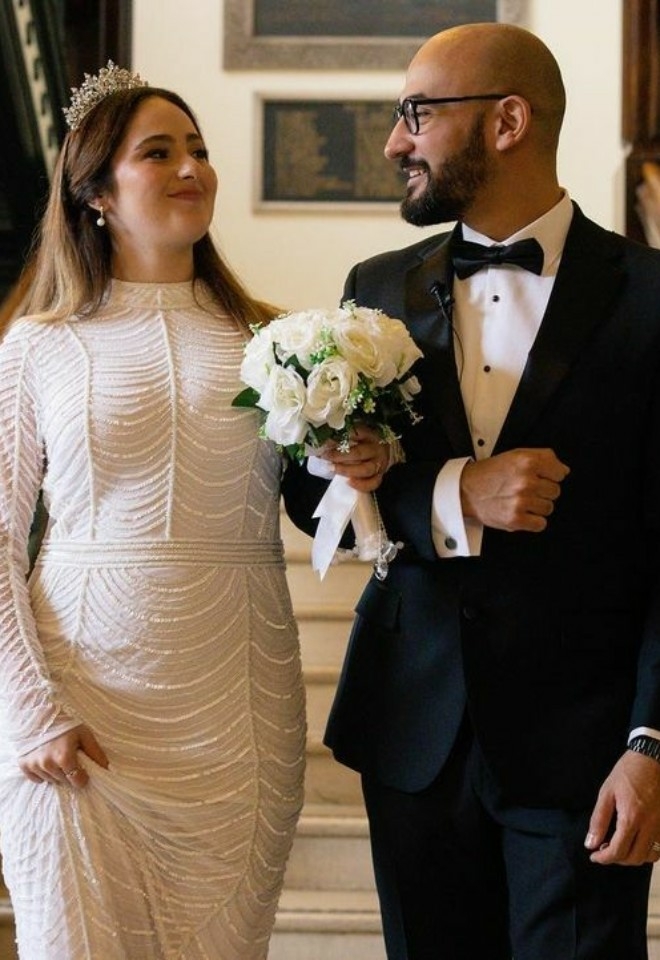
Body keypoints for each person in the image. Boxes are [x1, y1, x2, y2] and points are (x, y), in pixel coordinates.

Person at [282, 22, 660, 960]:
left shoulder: (652, 299)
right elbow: (306, 487)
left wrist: (651, 743)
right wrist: (456, 492)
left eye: (416, 113)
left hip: (586, 745)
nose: (394, 142)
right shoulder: (375, 289)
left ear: (507, 122)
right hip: (413, 732)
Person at [0, 62, 306, 960]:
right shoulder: (36, 345)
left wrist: (357, 466)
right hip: (77, 711)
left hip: (238, 710)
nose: (191, 169)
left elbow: (325, 507)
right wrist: (30, 709)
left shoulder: (274, 341)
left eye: (200, 151)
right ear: (94, 190)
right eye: (159, 152)